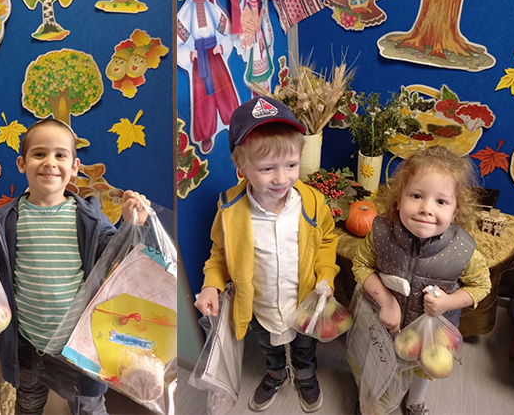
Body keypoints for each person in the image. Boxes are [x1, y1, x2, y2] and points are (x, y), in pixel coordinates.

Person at [0, 119, 151, 415]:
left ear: (74, 167)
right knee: (28, 404)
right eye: (39, 154)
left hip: (78, 348)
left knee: (88, 407)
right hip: (27, 345)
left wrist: (133, 225)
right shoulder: (6, 220)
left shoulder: (88, 219)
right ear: (22, 163)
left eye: (60, 155)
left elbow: (116, 258)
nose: (50, 162)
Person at [194, 96, 339, 413]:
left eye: (291, 165)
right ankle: (276, 372)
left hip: (303, 301)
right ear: (241, 167)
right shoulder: (230, 209)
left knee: (304, 344)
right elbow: (219, 253)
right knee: (267, 346)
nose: (281, 178)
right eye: (267, 168)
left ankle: (305, 372)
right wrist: (210, 285)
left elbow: (327, 241)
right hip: (257, 306)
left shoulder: (311, 202)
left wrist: (326, 275)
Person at [351, 146, 492, 415]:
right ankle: (373, 398)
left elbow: (481, 286)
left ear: (456, 211)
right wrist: (386, 302)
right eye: (416, 196)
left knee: (422, 369)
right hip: (384, 323)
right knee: (380, 361)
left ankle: (414, 401)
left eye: (441, 202)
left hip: (430, 335)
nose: (426, 208)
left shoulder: (463, 251)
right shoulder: (380, 233)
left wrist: (448, 302)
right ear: (398, 200)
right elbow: (361, 264)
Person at [176, 0, 240, 155]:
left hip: (215, 56)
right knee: (202, 98)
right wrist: (188, 54)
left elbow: (228, 32)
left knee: (225, 91)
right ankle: (205, 132)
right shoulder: (185, 13)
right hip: (199, 61)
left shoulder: (213, 9)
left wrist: (223, 45)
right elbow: (178, 42)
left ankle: (232, 121)